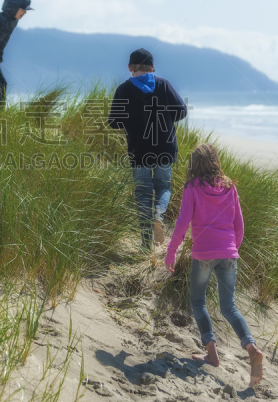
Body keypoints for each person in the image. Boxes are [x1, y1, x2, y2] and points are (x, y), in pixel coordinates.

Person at [165, 143, 264, 387]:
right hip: (229, 254)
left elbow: (182, 222)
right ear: (216, 162)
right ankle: (251, 347)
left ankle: (212, 352)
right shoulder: (230, 187)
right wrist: (231, 250)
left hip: (204, 254)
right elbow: (238, 225)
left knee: (198, 301)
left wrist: (171, 251)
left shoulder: (191, 187)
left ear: (193, 165)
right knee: (229, 306)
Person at [107, 48, 187, 251]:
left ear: (129, 68)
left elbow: (114, 122)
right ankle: (159, 215)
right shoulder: (164, 85)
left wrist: (131, 121)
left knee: (143, 193)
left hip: (138, 150)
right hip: (165, 147)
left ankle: (145, 246)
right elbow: (181, 111)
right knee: (164, 187)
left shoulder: (124, 90)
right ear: (152, 67)